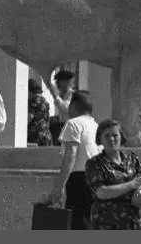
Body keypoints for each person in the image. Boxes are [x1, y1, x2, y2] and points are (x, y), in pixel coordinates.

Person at [45, 91, 100, 230]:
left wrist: (59, 187)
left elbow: (70, 155)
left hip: (78, 179)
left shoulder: (73, 124)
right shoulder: (96, 126)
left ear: (73, 107)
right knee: (89, 223)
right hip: (96, 178)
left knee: (77, 223)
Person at [85, 119, 141, 230]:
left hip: (132, 222)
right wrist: (131, 185)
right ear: (100, 139)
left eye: (115, 135)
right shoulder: (94, 164)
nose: (111, 139)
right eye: (107, 136)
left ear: (121, 137)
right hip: (107, 223)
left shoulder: (132, 159)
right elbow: (102, 192)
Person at [47, 69, 75, 146]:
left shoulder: (73, 95)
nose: (57, 84)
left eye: (59, 81)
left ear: (67, 82)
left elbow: (66, 108)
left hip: (70, 130)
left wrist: (55, 96)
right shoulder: (62, 95)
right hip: (61, 128)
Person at [27, 78, 52, 147]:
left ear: (29, 91)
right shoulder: (44, 100)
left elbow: (30, 116)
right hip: (46, 134)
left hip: (36, 136)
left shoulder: (34, 99)